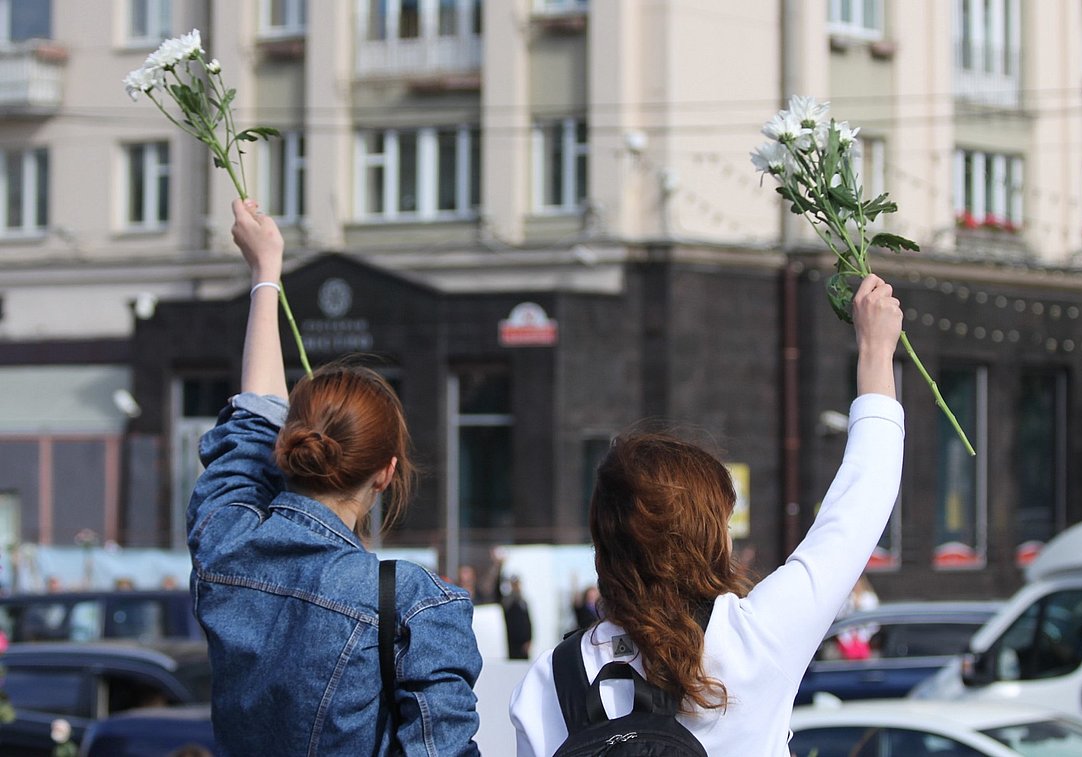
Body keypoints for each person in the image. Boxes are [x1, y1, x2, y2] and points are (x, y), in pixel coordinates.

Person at [509, 274, 905, 756]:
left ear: (605, 540)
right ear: (709, 537)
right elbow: (860, 504)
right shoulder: (753, 638)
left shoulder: (551, 678)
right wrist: (876, 351)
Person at [187, 199, 481, 755]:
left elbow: (251, 422)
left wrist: (265, 274)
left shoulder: (225, 549)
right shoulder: (411, 605)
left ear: (286, 449)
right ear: (387, 472)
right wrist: (265, 273)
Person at [503, 575, 533, 660]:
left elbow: (528, 622)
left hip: (523, 644)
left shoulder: (523, 602)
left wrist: (529, 640)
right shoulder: (507, 602)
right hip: (511, 644)